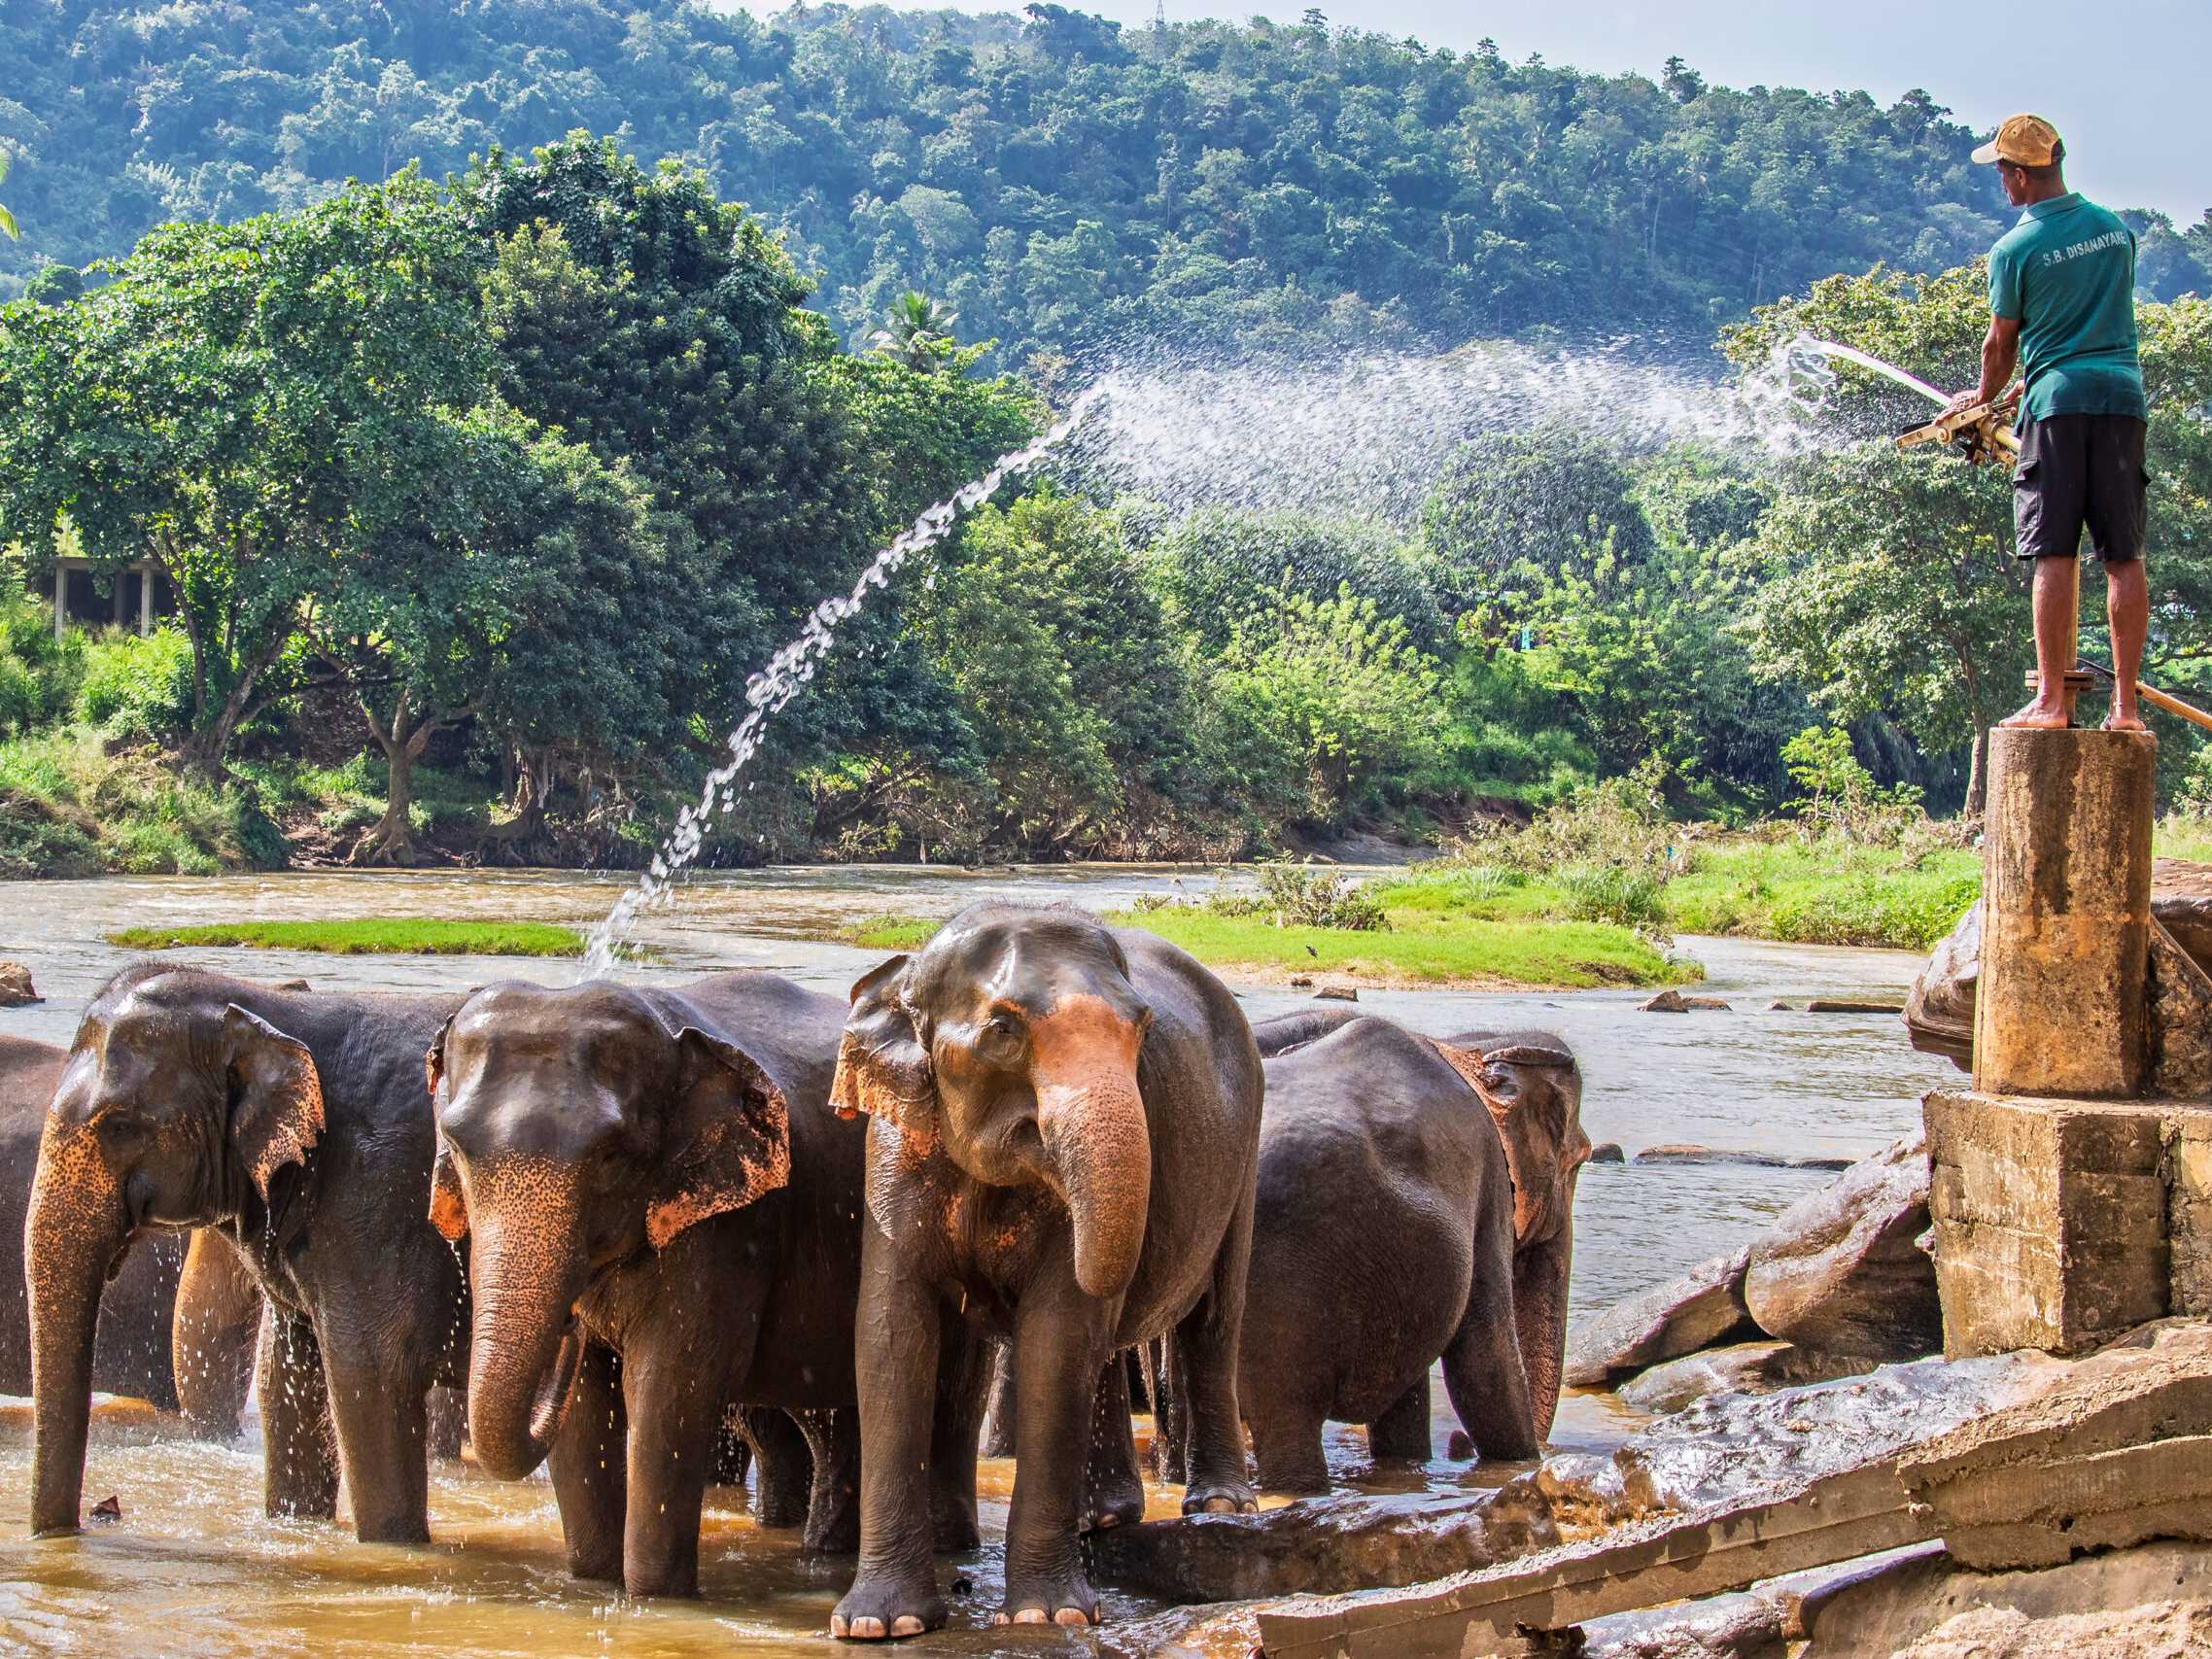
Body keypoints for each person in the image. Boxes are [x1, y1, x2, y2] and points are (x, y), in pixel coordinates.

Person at [1945, 113, 2150, 733]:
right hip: (2121, 399)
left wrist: (1984, 399)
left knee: (2053, 551)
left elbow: (2000, 344)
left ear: (2021, 175)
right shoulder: (2114, 232)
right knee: (2124, 555)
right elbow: (2085, 324)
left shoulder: (2014, 249)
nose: (2001, 183)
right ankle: (2125, 708)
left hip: (2058, 406)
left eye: (2002, 172)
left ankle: (2052, 702)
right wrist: (2022, 388)